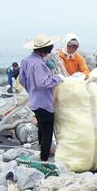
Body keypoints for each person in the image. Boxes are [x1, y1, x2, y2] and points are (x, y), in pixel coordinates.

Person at [19, 33, 64, 161]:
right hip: (44, 102)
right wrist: (57, 78)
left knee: (41, 127)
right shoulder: (38, 64)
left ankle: (41, 150)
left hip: (34, 101)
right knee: (47, 132)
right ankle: (44, 159)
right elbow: (42, 83)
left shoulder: (27, 60)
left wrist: (31, 90)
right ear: (44, 50)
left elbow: (22, 79)